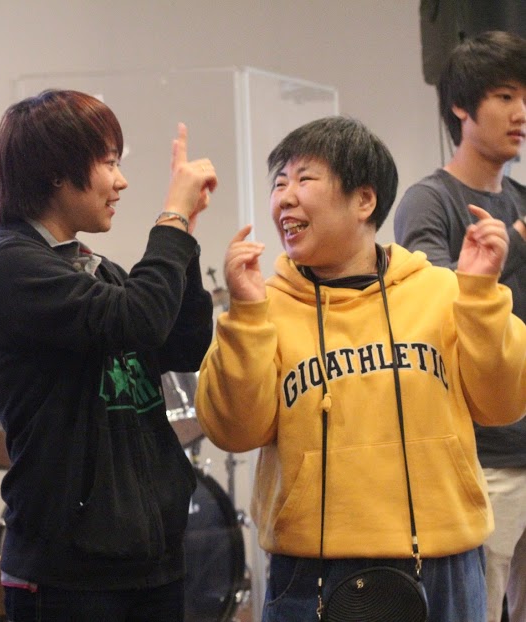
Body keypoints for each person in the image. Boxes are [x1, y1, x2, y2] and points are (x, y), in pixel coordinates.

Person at [194, 116, 526, 622]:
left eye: (304, 179)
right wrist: (244, 317)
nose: (285, 198)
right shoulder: (265, 307)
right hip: (312, 570)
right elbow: (234, 430)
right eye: (279, 183)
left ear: (364, 200)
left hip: (443, 562)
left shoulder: (441, 291)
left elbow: (503, 404)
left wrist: (480, 294)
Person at [0, 89, 216, 621]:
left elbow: (182, 344)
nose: (121, 182)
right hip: (68, 572)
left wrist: (184, 235)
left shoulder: (97, 271)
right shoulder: (8, 266)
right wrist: (171, 217)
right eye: (109, 163)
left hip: (150, 561)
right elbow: (138, 318)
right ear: (57, 172)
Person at [394, 30, 526, 622]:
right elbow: (436, 302)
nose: (521, 113)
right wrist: (515, 244)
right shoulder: (430, 200)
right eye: (504, 96)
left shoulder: (521, 198)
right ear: (460, 107)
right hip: (483, 457)